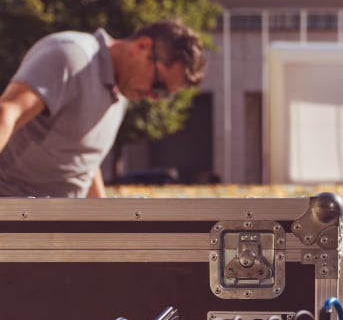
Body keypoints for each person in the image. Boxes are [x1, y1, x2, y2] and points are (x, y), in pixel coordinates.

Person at [0, 19, 206, 198]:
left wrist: (106, 227)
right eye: (158, 84)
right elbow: (7, 112)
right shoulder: (72, 56)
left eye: (164, 94)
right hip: (15, 212)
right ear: (142, 46)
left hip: (57, 224)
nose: (154, 97)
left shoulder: (120, 95)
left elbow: (85, 164)